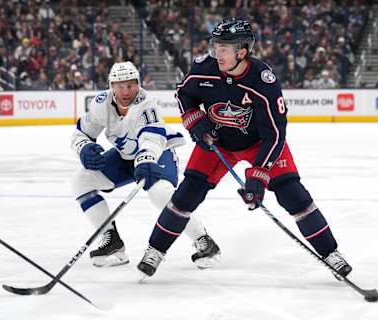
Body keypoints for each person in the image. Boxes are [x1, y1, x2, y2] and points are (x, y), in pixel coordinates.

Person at [137, 18, 352, 279]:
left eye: (224, 48)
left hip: (259, 144)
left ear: (242, 51)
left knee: (293, 195)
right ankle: (155, 250)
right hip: (217, 142)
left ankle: (331, 254)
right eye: (216, 46)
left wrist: (259, 176)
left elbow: (275, 134)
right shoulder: (204, 69)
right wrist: (197, 123)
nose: (217, 53)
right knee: (186, 195)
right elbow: (184, 95)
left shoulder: (264, 81)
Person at [70, 61, 220, 268]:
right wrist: (84, 148)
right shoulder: (100, 103)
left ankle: (203, 239)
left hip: (158, 154)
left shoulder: (146, 104)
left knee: (161, 194)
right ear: (111, 86)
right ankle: (111, 242)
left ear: (138, 84)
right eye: (120, 86)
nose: (125, 91)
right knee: (81, 181)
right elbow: (82, 132)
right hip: (125, 158)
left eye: (131, 85)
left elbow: (152, 137)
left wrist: (146, 158)